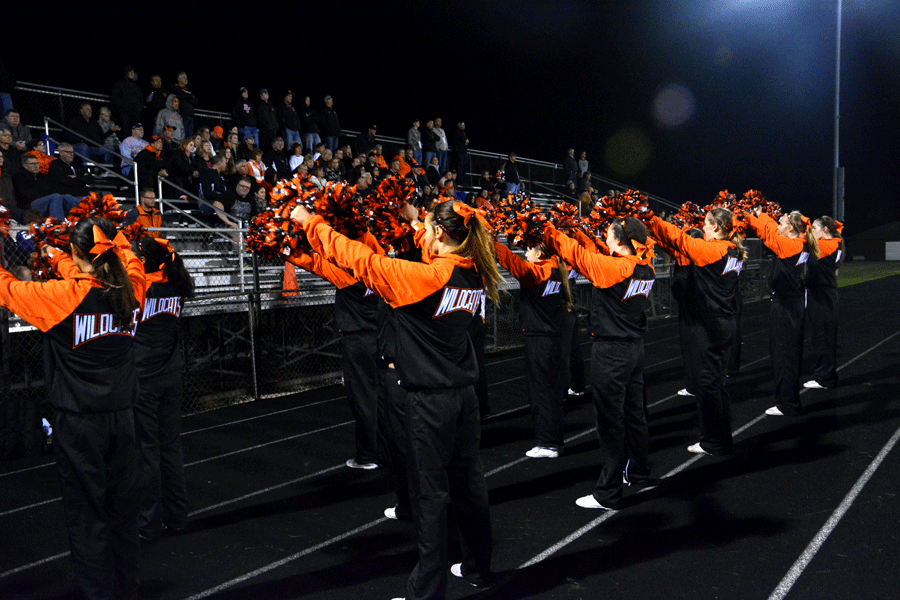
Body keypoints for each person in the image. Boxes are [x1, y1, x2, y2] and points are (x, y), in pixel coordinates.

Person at [291, 199, 500, 599]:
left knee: (430, 498)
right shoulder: (473, 272)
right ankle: (477, 566)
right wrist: (419, 225)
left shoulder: (425, 278)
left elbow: (362, 260)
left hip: (429, 404)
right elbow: (420, 258)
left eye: (427, 226)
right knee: (470, 487)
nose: (421, 230)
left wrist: (311, 222)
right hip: (464, 400)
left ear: (440, 232)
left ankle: (426, 591)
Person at [0, 217, 146, 600]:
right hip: (124, 418)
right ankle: (126, 589)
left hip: (79, 423)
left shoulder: (61, 298)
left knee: (87, 515)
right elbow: (120, 259)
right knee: (122, 510)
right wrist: (52, 252)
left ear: (78, 252)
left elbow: (8, 289)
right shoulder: (133, 287)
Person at [543, 216, 655, 509]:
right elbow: (596, 253)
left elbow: (578, 256)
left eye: (608, 234)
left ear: (618, 240)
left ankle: (608, 492)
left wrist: (547, 229)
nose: (604, 238)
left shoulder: (613, 268)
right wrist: (579, 231)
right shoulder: (646, 265)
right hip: (635, 350)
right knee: (635, 415)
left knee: (609, 422)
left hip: (612, 353)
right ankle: (640, 472)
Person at [649, 209, 745, 455]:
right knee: (717, 382)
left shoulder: (714, 250)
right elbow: (679, 247)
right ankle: (721, 437)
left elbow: (681, 240)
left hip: (710, 326)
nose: (702, 228)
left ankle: (713, 441)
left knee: (707, 385)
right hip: (725, 322)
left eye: (705, 224)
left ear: (716, 227)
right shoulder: (733, 251)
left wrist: (650, 217)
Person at [131, 235, 194, 541]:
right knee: (171, 448)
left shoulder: (142, 287)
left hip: (143, 378)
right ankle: (178, 516)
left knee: (147, 453)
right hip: (171, 374)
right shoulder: (176, 283)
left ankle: (148, 524)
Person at [494, 240, 573, 458]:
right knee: (552, 391)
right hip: (552, 338)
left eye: (529, 249)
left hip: (539, 339)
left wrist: (488, 239)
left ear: (538, 253)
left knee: (541, 392)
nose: (525, 253)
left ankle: (547, 443)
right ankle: (553, 439)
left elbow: (510, 261)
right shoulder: (556, 269)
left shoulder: (537, 274)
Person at [745, 208, 820, 416]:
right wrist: (760, 214)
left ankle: (787, 404)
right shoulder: (800, 242)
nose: (779, 225)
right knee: (788, 353)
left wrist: (748, 217)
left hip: (786, 306)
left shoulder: (790, 245)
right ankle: (788, 400)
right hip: (792, 303)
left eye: (783, 222)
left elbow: (769, 234)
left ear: (792, 228)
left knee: (784, 354)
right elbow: (770, 228)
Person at [804, 216, 844, 390]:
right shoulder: (834, 243)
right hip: (823, 295)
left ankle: (824, 378)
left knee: (823, 338)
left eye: (815, 227)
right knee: (823, 337)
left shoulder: (829, 245)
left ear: (825, 229)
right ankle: (826, 375)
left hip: (823, 298)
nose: (812, 230)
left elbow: (804, 244)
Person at [110, 66, 143, 132]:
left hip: (135, 115)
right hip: (124, 116)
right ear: (126, 73)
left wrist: (139, 110)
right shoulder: (119, 85)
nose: (132, 73)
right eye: (130, 72)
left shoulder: (136, 87)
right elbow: (115, 100)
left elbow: (141, 100)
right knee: (125, 133)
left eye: (133, 72)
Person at [170, 72, 198, 138]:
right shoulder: (175, 87)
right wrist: (190, 97)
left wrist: (188, 96)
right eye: (183, 77)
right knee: (181, 134)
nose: (186, 79)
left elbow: (196, 101)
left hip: (190, 115)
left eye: (186, 78)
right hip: (181, 115)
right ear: (179, 79)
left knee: (189, 136)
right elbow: (181, 95)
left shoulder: (188, 90)